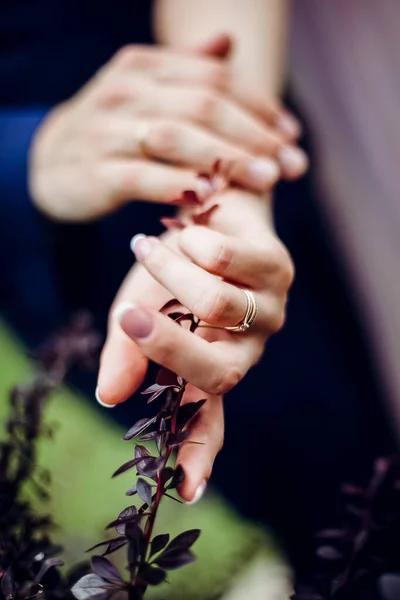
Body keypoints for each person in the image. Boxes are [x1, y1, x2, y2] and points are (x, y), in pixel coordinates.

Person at [0, 0, 393, 575]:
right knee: (308, 508)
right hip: (54, 252)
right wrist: (24, 156)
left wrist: (224, 185)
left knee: (359, 478)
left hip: (233, 145)